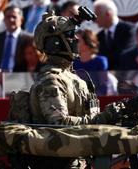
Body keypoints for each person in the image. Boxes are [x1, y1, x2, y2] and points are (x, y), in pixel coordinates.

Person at [10, 9, 124, 169]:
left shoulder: (72, 76)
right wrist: (103, 119)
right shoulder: (51, 80)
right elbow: (59, 123)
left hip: (80, 160)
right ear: (54, 43)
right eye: (70, 35)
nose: (76, 39)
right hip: (59, 163)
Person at [0, 5, 32, 72]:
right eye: (8, 17)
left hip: (21, 77)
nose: (11, 20)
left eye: (14, 17)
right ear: (4, 19)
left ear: (21, 19)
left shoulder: (29, 39)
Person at [73, 29, 117, 96]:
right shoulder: (73, 62)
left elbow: (103, 86)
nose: (73, 43)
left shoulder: (100, 61)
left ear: (88, 42)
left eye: (77, 41)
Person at [93, 0, 135, 70]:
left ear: (108, 14)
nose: (95, 20)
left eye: (97, 15)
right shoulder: (99, 36)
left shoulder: (128, 30)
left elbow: (125, 56)